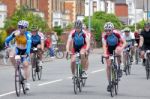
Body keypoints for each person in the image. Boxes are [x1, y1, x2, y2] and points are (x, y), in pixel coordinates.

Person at [5, 20, 31, 90]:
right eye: (19, 27)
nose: (20, 28)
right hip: (17, 50)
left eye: (22, 27)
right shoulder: (15, 33)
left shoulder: (28, 34)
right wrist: (12, 36)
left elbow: (29, 44)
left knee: (26, 65)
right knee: (11, 55)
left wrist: (27, 52)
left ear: (26, 28)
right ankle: (16, 69)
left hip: (25, 51)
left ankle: (27, 83)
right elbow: (6, 40)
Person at [102, 22, 126, 92]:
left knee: (117, 51)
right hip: (109, 48)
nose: (108, 32)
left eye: (109, 30)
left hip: (117, 46)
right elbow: (104, 46)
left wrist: (122, 48)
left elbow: (124, 42)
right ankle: (109, 83)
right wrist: (105, 54)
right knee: (108, 66)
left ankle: (119, 68)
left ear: (112, 29)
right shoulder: (104, 36)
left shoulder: (117, 33)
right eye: (106, 30)